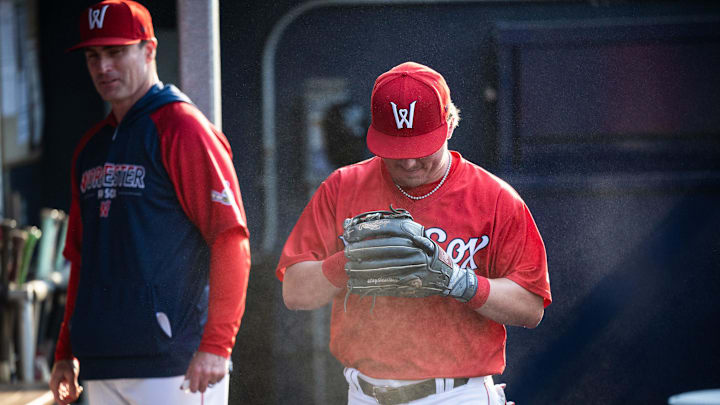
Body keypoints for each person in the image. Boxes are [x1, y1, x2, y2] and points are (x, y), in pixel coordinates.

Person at [277, 61, 551, 404]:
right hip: (365, 394)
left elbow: (530, 307)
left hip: (457, 395)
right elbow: (295, 292)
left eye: (421, 149)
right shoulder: (342, 187)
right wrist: (348, 261)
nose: (408, 163)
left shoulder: (495, 198)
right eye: (396, 151)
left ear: (450, 124)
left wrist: (459, 281)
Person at [48, 1, 251, 404]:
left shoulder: (183, 128)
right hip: (102, 362)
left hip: (177, 366)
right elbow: (80, 260)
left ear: (149, 50)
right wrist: (65, 352)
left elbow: (231, 239)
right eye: (94, 56)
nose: (103, 67)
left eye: (116, 52)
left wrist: (217, 345)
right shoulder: (91, 147)